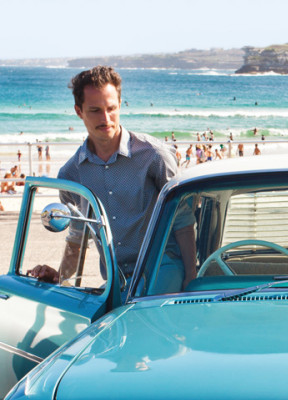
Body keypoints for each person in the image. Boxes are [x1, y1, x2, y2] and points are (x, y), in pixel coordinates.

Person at [28, 66, 195, 293]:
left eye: (111, 108)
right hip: (115, 282)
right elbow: (78, 236)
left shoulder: (154, 155)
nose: (105, 118)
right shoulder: (70, 174)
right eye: (95, 110)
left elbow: (183, 221)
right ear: (79, 111)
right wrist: (62, 282)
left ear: (120, 104)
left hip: (161, 268)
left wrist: (192, 282)